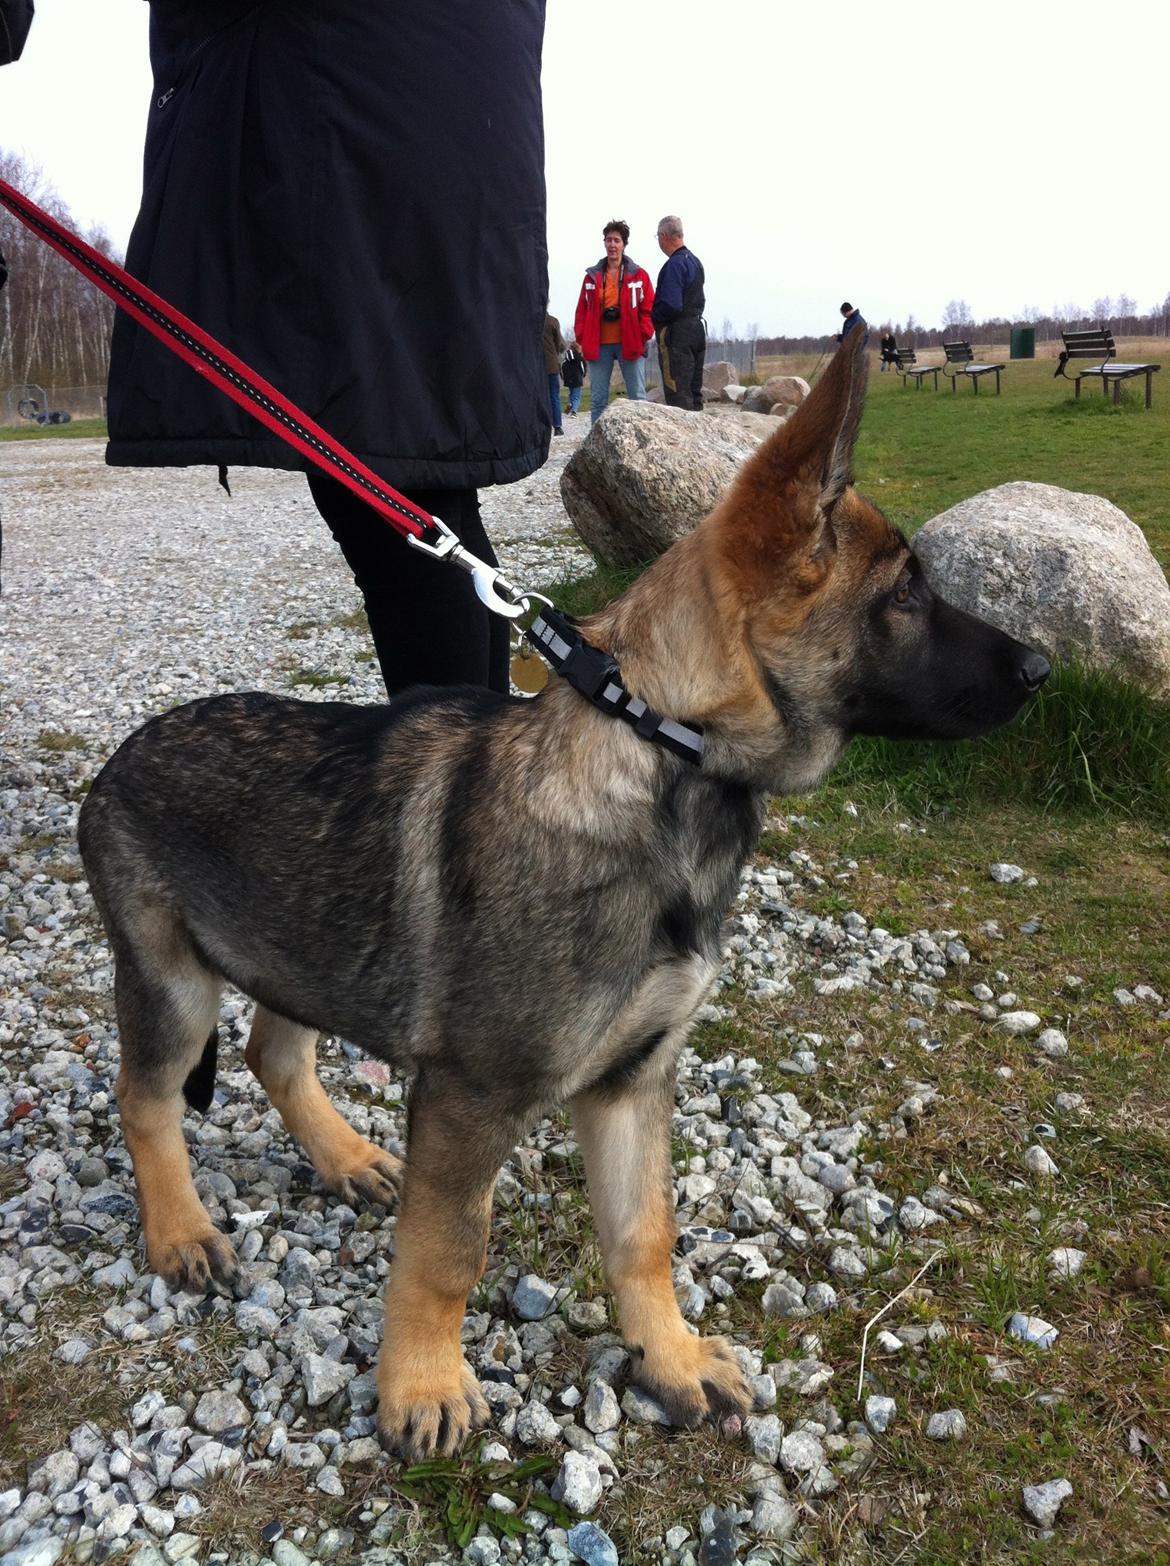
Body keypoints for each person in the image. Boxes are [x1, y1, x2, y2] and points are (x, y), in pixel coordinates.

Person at [85, 3, 549, 701]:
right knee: (423, 485)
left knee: (392, 492)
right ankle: (483, 781)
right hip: (434, 103)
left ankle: (458, 797)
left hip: (352, 102)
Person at [573, 220, 654, 425]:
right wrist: (582, 337)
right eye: (608, 240)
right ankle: (597, 447)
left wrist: (643, 334)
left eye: (616, 240)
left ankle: (642, 443)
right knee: (598, 400)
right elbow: (581, 310)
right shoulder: (591, 277)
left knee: (637, 397)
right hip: (599, 345)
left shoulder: (639, 275)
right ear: (604, 243)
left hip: (631, 342)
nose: (612, 245)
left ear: (624, 244)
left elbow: (649, 308)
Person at [651, 215, 706, 411]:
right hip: (697, 328)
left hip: (677, 335)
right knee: (694, 391)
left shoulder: (674, 265)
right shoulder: (695, 262)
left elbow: (671, 305)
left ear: (664, 236)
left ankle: (685, 440)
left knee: (678, 391)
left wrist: (654, 317)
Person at [543, 311, 565, 435]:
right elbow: (560, 344)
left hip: (535, 366)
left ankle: (541, 427)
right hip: (551, 364)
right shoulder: (552, 321)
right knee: (554, 396)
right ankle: (557, 426)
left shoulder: (529, 321)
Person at [560, 338, 585, 417]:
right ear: (577, 348)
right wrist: (583, 375)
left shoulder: (566, 359)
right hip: (577, 379)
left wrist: (563, 377)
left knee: (571, 394)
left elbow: (562, 368)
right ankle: (574, 412)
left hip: (568, 380)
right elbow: (582, 368)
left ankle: (569, 408)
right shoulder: (579, 357)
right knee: (577, 396)